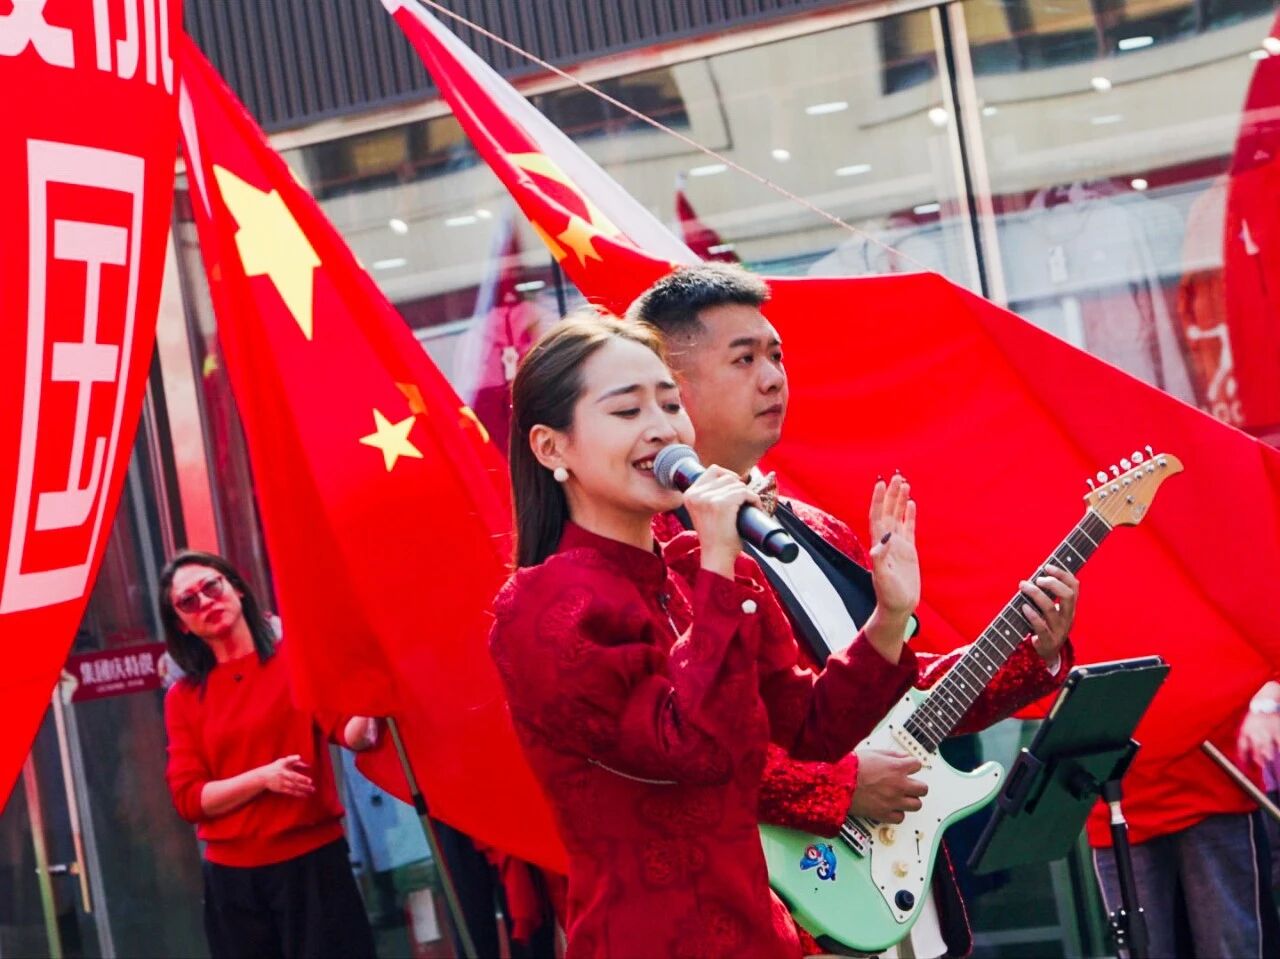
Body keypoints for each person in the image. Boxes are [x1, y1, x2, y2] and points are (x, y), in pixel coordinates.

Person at [627, 262, 1078, 958]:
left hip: (898, 885)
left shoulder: (816, 528)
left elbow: (897, 704)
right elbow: (687, 751)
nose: (773, 378)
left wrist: (1033, 652)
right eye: (744, 359)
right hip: (777, 907)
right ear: (672, 389)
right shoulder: (652, 553)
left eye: (777, 355)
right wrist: (837, 789)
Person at [490, 312, 926, 958]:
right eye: (627, 410)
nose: (662, 428)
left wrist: (888, 617)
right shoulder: (545, 606)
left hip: (764, 934)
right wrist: (722, 567)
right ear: (552, 448)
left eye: (670, 404)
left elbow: (805, 730)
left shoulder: (696, 571)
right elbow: (694, 750)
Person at [160, 550, 379, 959]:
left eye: (212, 587)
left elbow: (352, 733)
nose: (205, 601)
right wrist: (263, 778)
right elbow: (189, 798)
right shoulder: (183, 698)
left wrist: (373, 695)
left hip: (313, 866)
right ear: (181, 624)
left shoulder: (296, 660)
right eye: (188, 601)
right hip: (234, 884)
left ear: (237, 589)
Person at [1087, 678, 1280, 958]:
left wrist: (1269, 702)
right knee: (1143, 949)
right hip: (1119, 804)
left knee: (1233, 947)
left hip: (1214, 790)